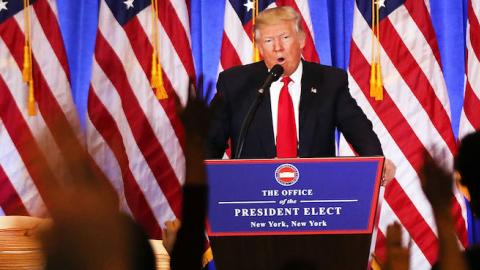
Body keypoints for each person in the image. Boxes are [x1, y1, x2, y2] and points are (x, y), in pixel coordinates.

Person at [207, 6, 395, 180]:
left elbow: (358, 129)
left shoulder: (329, 81)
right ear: (259, 47)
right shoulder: (235, 83)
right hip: (253, 191)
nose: (277, 47)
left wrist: (377, 162)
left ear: (301, 40)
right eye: (268, 40)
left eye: (285, 37)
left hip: (314, 191)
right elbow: (211, 140)